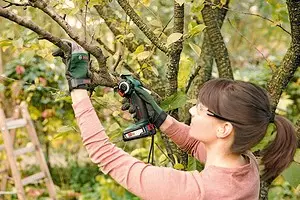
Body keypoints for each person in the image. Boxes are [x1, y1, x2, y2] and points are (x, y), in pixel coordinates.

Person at [53, 41, 297, 200]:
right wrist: (160, 118)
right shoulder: (246, 165)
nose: (191, 111)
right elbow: (195, 146)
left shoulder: (198, 191)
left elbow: (105, 156)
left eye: (201, 109)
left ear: (224, 129)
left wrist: (78, 88)